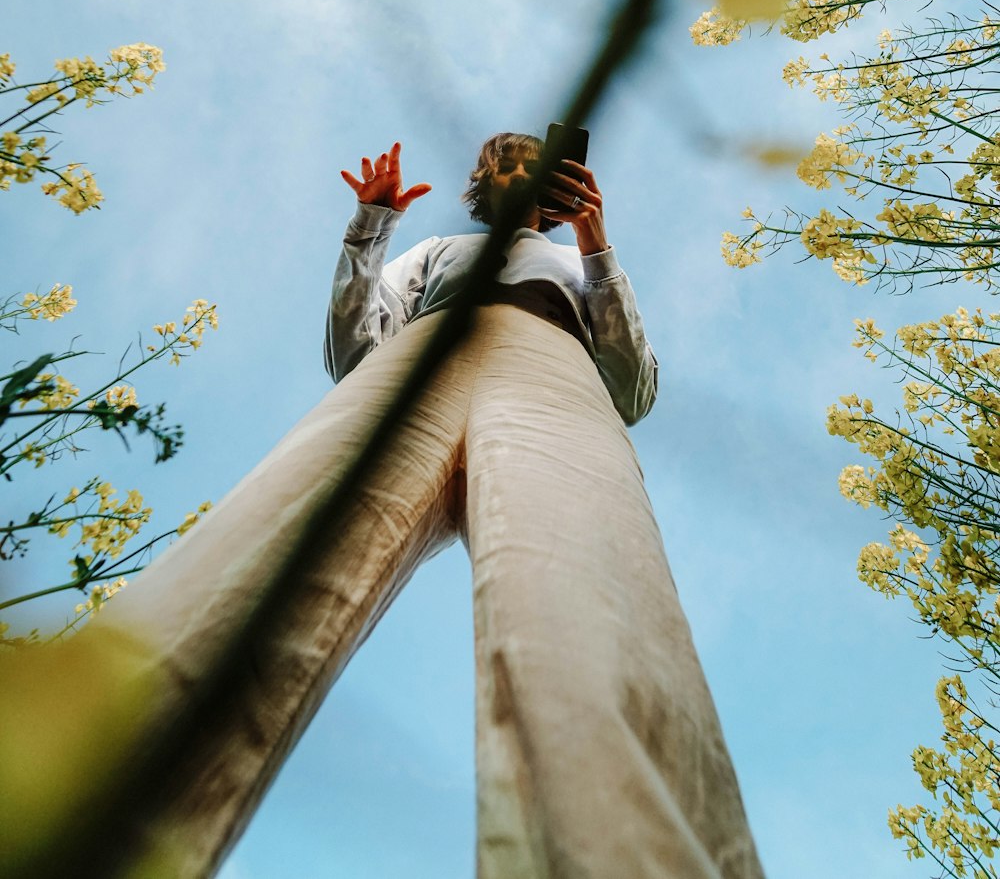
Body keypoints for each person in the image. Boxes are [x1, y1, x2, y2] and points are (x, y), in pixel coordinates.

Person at [96, 132, 764, 879]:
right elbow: (355, 348)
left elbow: (633, 387)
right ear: (482, 183)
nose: (518, 169)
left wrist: (598, 246)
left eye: (531, 162)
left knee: (586, 594)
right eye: (502, 161)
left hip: (552, 372)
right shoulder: (441, 249)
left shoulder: (576, 264)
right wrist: (369, 229)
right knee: (273, 550)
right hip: (420, 357)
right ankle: (81, 788)